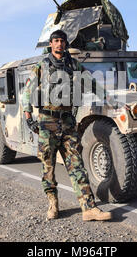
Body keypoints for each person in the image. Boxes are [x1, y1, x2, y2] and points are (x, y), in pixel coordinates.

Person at [21, 30, 117, 221]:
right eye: (56, 41)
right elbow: (28, 89)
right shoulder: (42, 65)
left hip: (67, 123)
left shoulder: (74, 65)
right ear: (51, 44)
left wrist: (106, 97)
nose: (59, 44)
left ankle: (89, 208)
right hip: (47, 123)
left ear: (65, 44)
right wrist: (27, 112)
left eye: (62, 41)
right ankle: (53, 204)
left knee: (77, 166)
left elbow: (90, 83)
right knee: (47, 167)